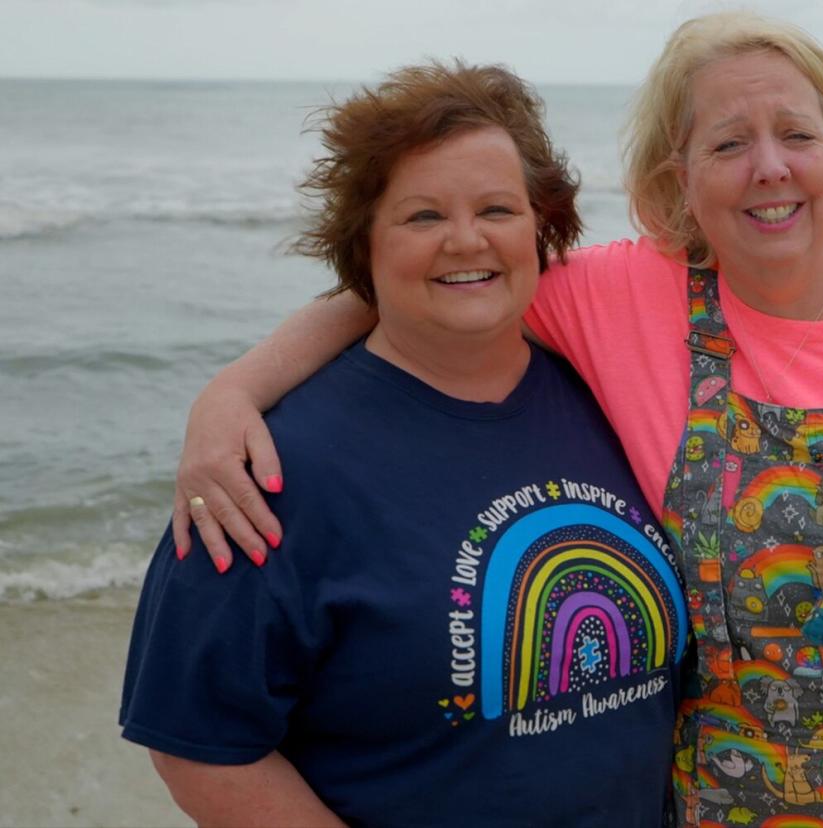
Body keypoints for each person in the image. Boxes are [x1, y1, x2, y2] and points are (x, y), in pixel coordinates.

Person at [171, 12, 823, 826]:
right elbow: (430, 279)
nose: (769, 169)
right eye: (727, 143)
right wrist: (235, 394)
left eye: (797, 133)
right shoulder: (631, 300)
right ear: (680, 174)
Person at [119, 62, 688, 828]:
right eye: (422, 217)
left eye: (497, 208)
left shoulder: (607, 392)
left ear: (542, 227)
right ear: (366, 244)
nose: (465, 240)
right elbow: (201, 744)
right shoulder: (269, 467)